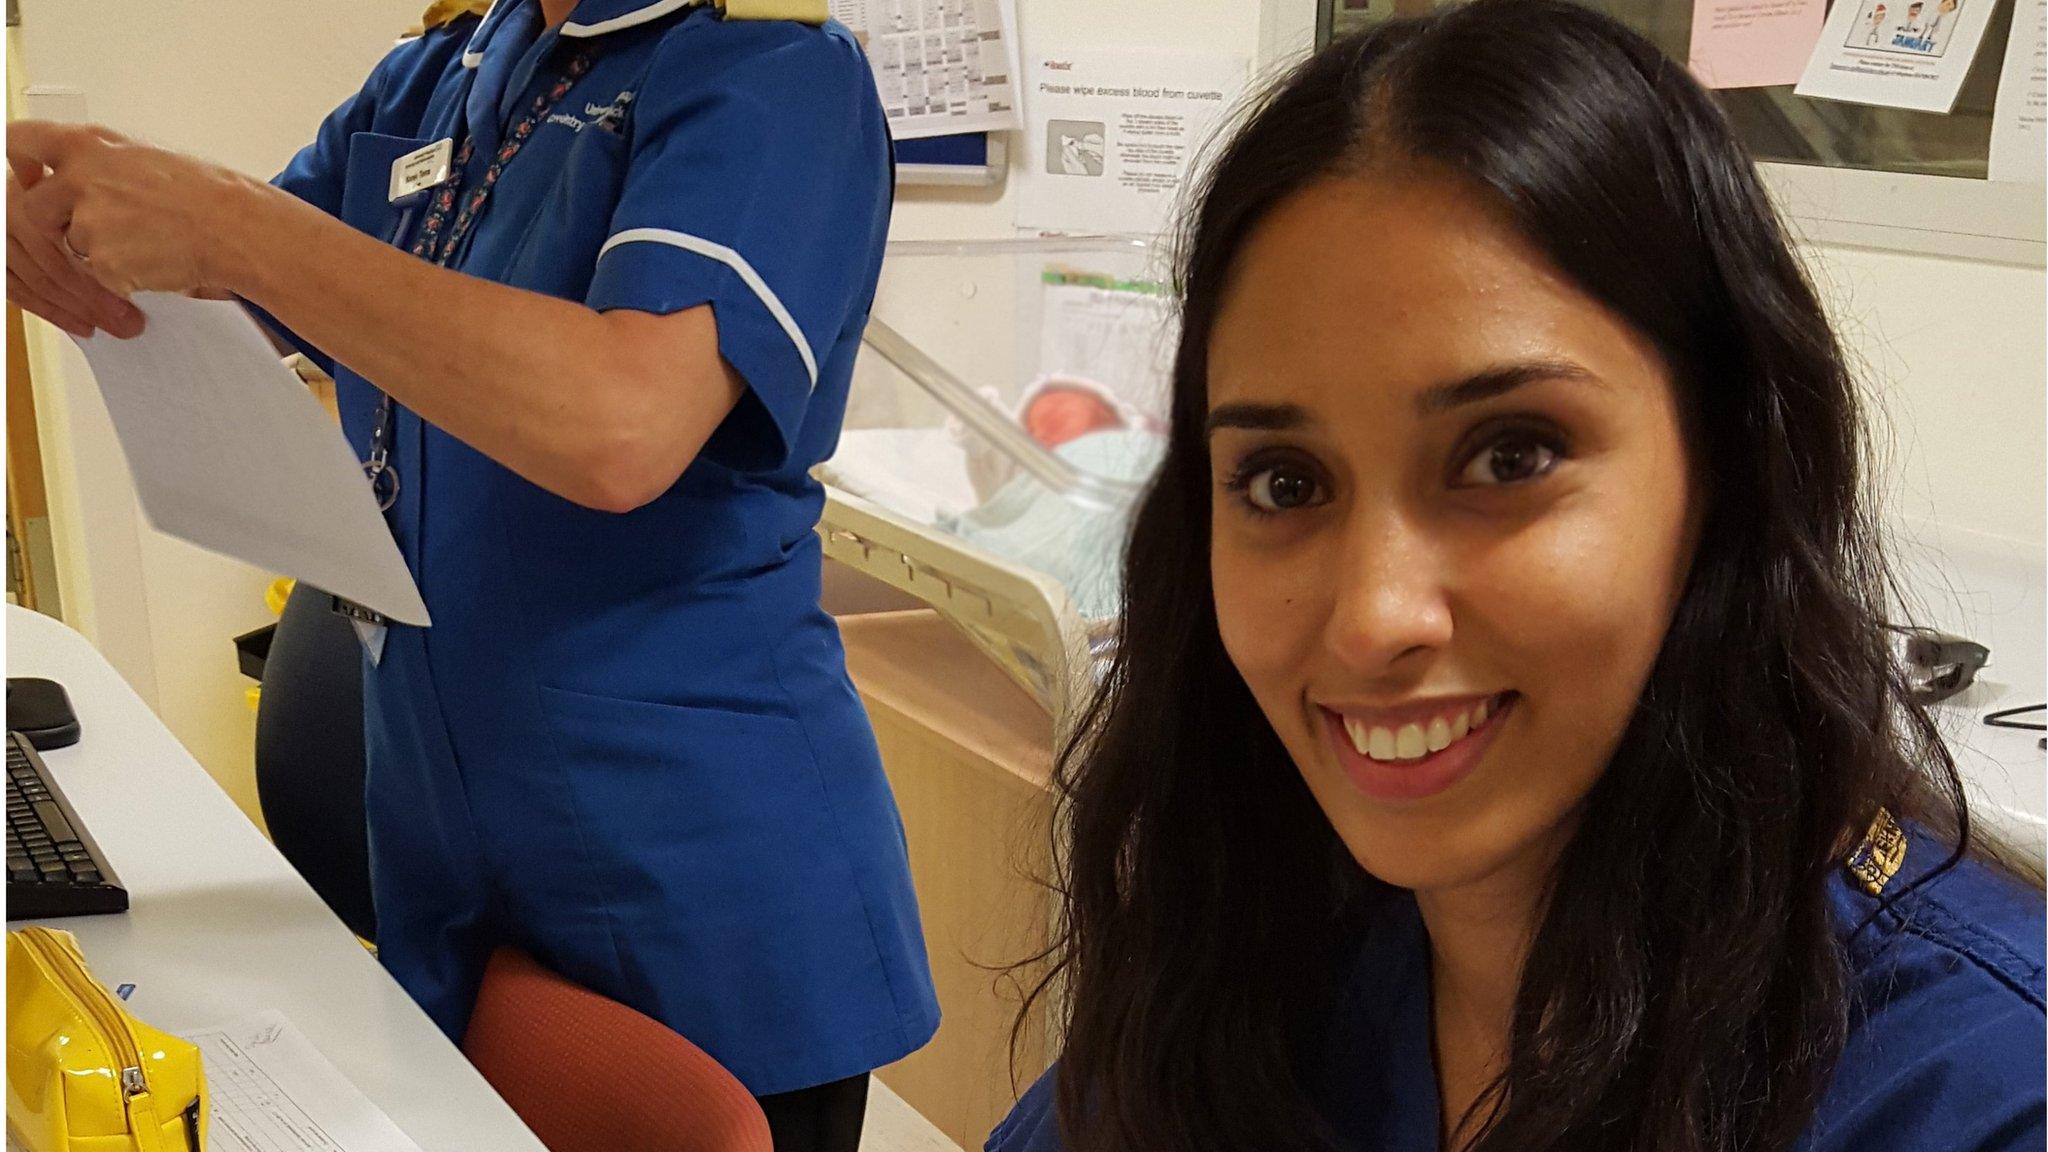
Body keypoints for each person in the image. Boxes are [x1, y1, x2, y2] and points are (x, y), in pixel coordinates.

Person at [987, 2, 2046, 1150]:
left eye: (1509, 457)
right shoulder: (1252, 965)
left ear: (1729, 468)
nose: (1372, 619)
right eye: (1284, 483)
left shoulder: (1973, 1095)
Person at [5, 1, 938, 1147]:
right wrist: (85, 223)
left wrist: (229, 230)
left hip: (689, 862)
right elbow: (249, 281)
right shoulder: (451, 66)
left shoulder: (774, 68)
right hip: (451, 844)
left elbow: (621, 424)